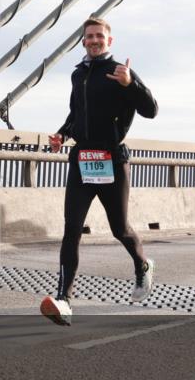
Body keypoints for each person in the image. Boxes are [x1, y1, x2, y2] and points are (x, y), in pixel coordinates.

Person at [39, 16, 158, 325]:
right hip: (82, 160)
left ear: (109, 41)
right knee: (71, 229)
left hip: (112, 161)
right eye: (89, 36)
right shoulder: (78, 74)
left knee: (120, 228)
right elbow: (75, 114)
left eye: (99, 36)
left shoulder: (120, 72)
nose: (94, 41)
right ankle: (64, 299)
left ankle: (142, 265)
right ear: (83, 41)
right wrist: (62, 135)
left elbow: (151, 110)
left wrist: (131, 84)